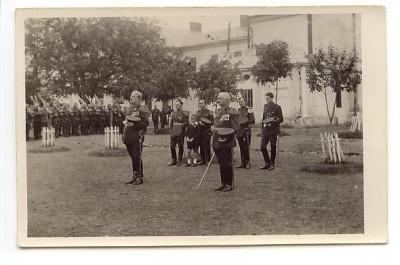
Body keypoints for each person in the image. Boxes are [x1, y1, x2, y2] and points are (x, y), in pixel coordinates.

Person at [212, 92, 239, 192]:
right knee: (221, 163)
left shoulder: (232, 112)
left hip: (226, 141)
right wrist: (213, 128)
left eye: (220, 99)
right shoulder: (218, 111)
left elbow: (235, 128)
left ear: (227, 101)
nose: (218, 100)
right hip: (216, 141)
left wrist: (221, 132)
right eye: (218, 98)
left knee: (227, 163)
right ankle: (223, 183)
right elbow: (217, 125)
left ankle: (229, 184)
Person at [123, 90, 150, 185]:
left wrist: (134, 124)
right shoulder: (129, 108)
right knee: (132, 156)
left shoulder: (143, 109)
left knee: (137, 156)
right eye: (131, 96)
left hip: (137, 136)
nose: (131, 98)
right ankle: (134, 175)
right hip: (128, 136)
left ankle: (140, 176)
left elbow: (145, 123)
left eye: (133, 97)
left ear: (139, 99)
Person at [260, 92, 283, 170]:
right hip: (266, 130)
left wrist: (273, 121)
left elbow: (281, 119)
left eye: (268, 98)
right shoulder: (265, 106)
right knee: (262, 147)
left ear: (272, 98)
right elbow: (263, 118)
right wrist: (262, 129)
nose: (266, 100)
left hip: (273, 130)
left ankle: (272, 163)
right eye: (266, 98)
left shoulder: (277, 107)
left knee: (273, 146)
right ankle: (267, 163)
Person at [168, 99, 189, 166]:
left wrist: (180, 126)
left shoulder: (184, 113)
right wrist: (171, 130)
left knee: (180, 146)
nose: (176, 106)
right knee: (172, 146)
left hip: (181, 132)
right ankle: (174, 160)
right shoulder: (173, 113)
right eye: (175, 104)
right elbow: (171, 123)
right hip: (174, 132)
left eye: (178, 104)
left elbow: (187, 122)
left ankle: (179, 160)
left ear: (181, 105)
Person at [236, 98, 255, 169]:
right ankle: (242, 162)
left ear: (245, 102)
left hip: (246, 130)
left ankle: (247, 162)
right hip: (239, 130)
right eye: (239, 102)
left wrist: (245, 121)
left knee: (246, 147)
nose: (241, 103)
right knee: (241, 147)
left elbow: (252, 120)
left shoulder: (249, 109)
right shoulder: (238, 110)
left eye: (242, 102)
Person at [195, 100, 214, 165]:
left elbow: (212, 122)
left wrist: (205, 123)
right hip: (199, 130)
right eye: (199, 103)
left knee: (207, 145)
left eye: (202, 103)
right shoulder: (198, 113)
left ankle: (208, 160)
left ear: (205, 104)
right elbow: (196, 120)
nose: (200, 105)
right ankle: (202, 159)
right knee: (201, 145)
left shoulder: (209, 112)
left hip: (206, 130)